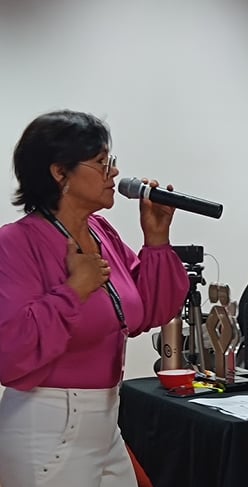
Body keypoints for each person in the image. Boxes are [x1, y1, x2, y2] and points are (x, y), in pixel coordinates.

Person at [0, 110, 189, 487]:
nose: (114, 173)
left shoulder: (101, 231)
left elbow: (147, 312)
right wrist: (74, 291)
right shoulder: (15, 242)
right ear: (60, 172)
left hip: (106, 424)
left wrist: (156, 240)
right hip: (47, 429)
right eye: (102, 162)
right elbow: (10, 351)